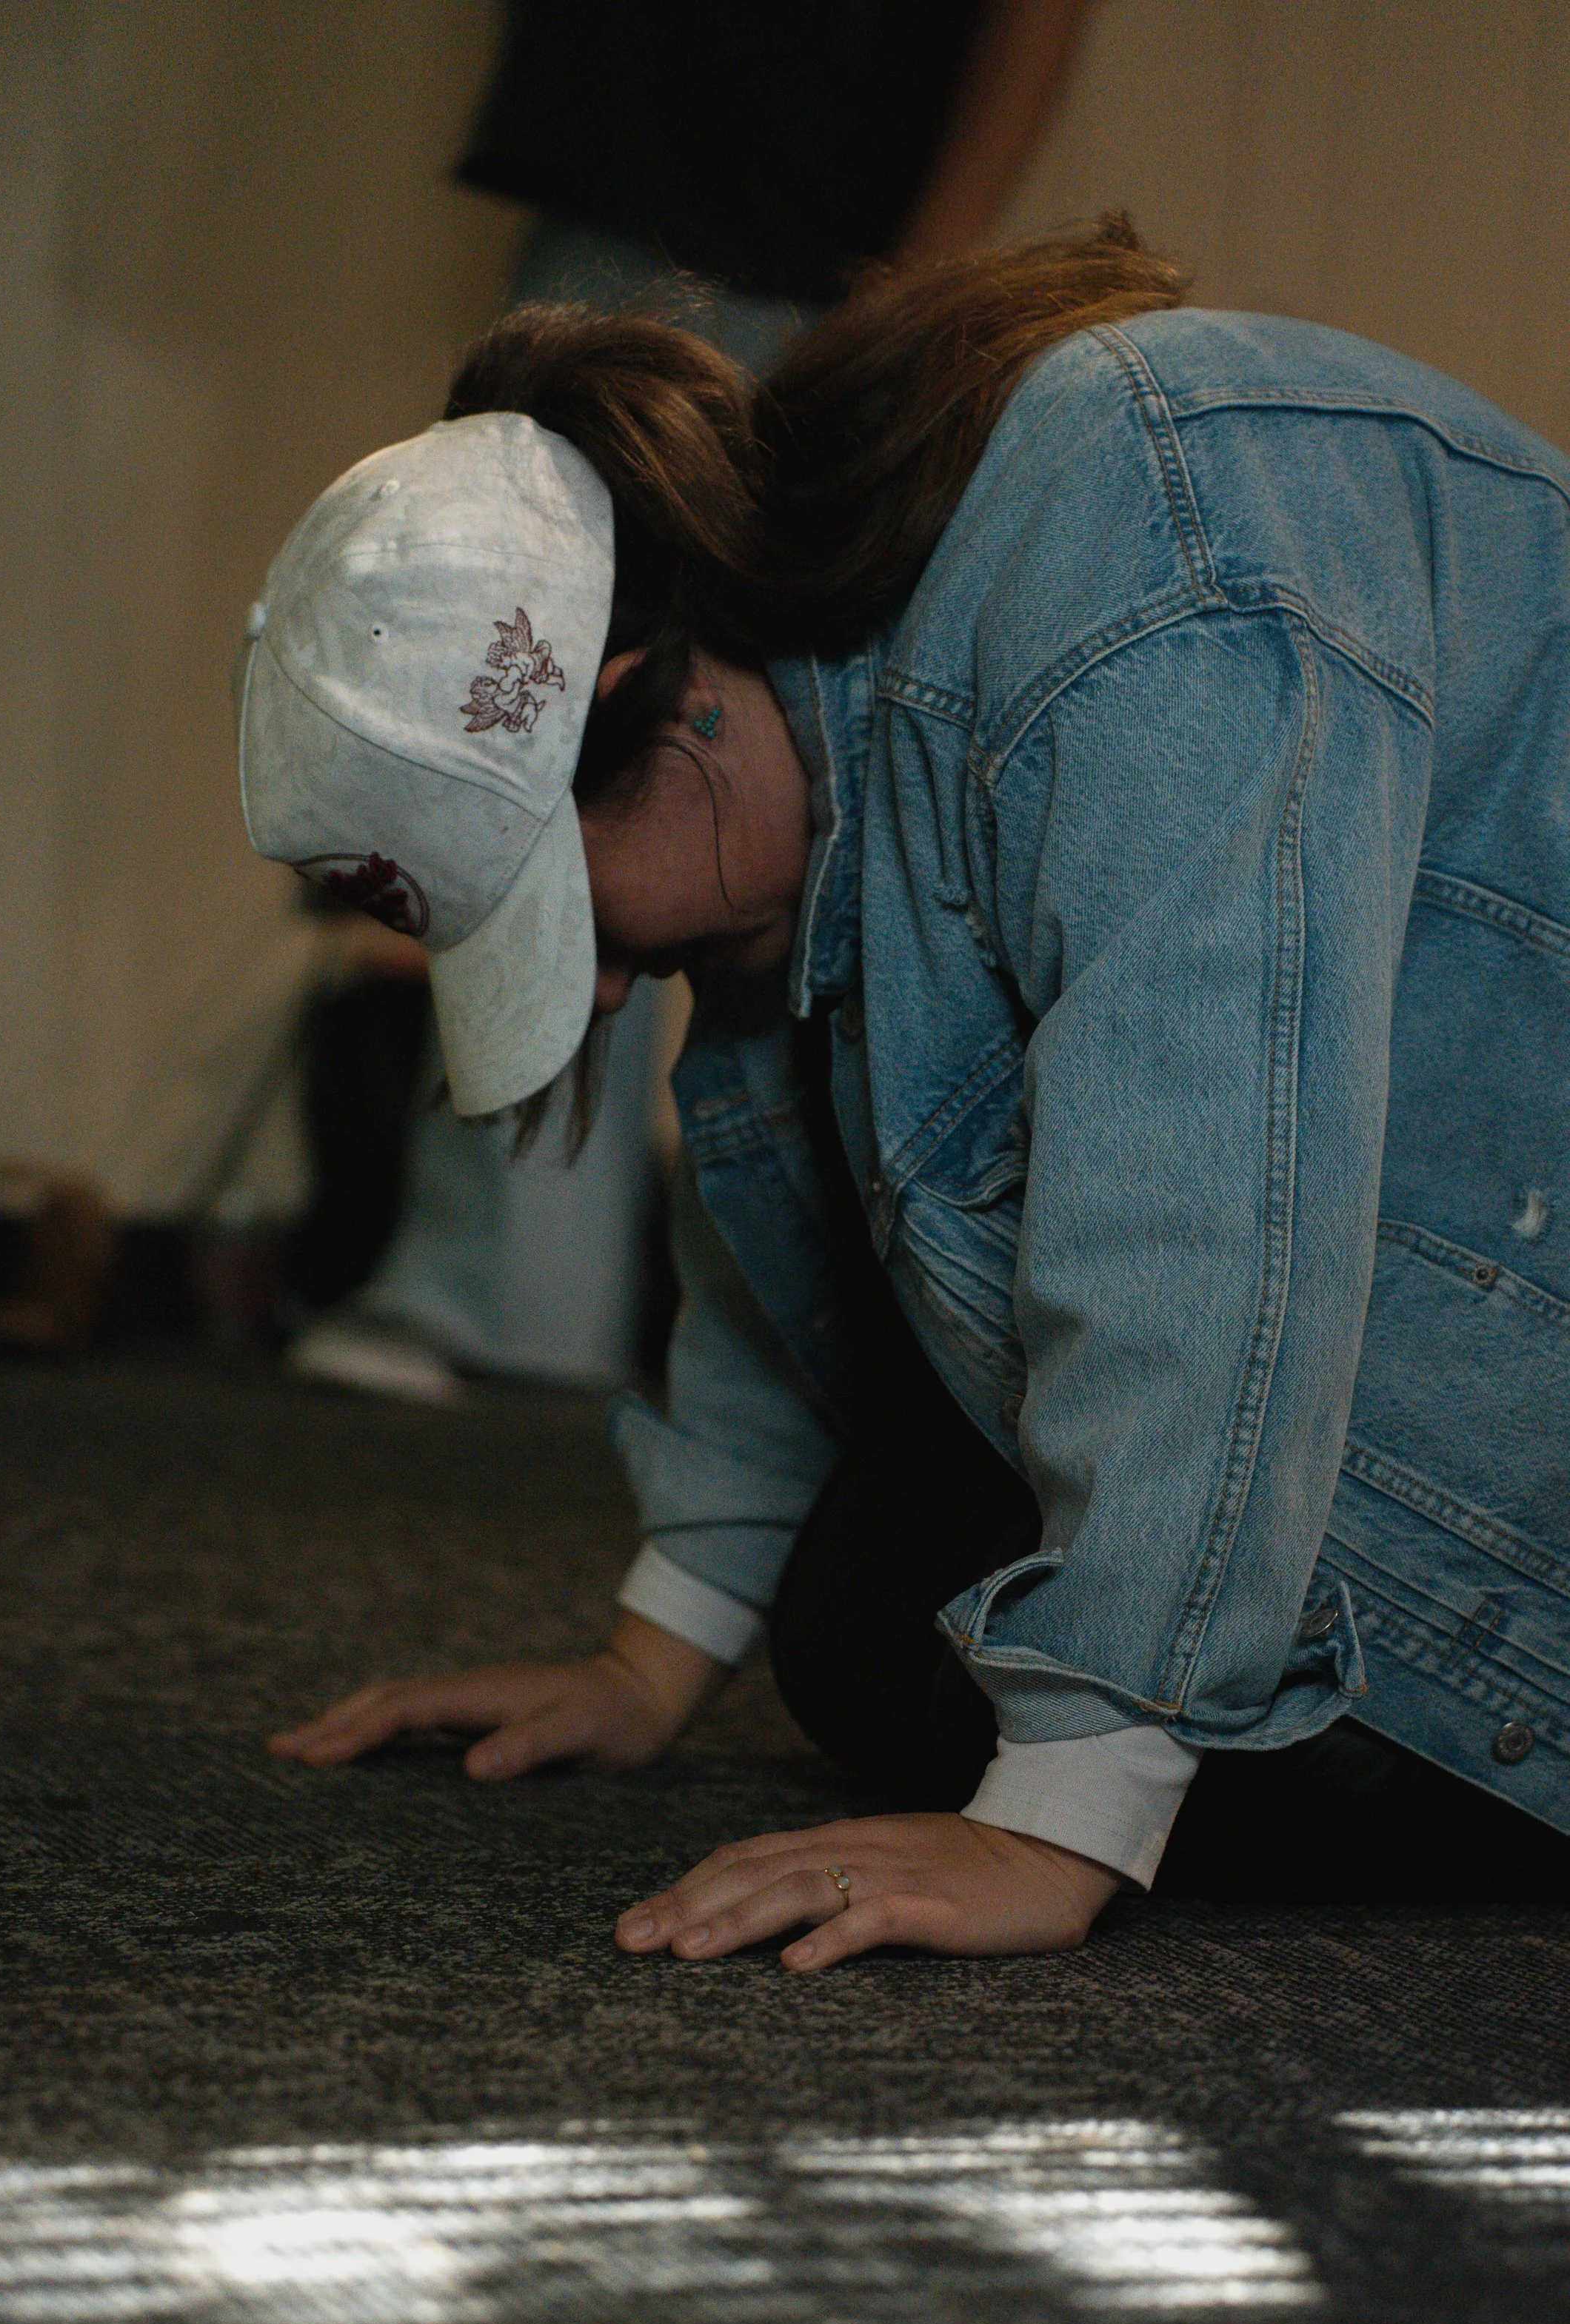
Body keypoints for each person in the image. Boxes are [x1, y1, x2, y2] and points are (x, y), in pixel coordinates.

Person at [242, 221, 1570, 1971]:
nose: (614, 986)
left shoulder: (1133, 555)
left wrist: (1066, 1809)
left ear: (667, 704)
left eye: (575, 914)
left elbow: (1212, 1185)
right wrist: (652, 1656)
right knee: (863, 1622)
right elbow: (782, 1189)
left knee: (978, 1668)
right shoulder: (817, 662)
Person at [295, 0, 1096, 1402]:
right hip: (617, 205)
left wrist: (915, 278)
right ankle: (509, 1290)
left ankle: (846, 1346)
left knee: (784, 837)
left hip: (815, 246)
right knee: (552, 783)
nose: (591, 983)